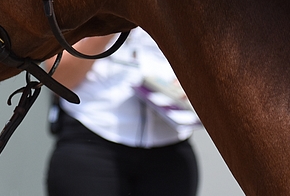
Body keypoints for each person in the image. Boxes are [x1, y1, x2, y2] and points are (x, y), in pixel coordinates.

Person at [45, 27, 200, 196]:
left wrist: (194, 83)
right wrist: (111, 23)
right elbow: (58, 77)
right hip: (93, 135)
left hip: (170, 145)